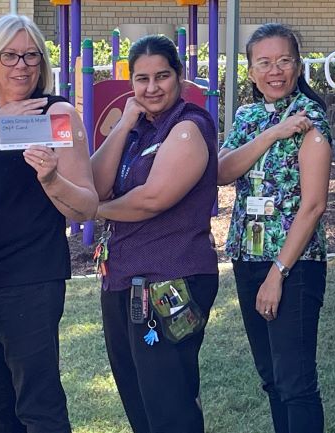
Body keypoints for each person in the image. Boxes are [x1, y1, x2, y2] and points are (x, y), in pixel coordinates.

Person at [0, 14, 98, 433]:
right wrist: (0, 119)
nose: (21, 65)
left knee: (38, 403)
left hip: (31, 277)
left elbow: (85, 206)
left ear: (42, 61)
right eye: (10, 55)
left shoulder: (58, 112)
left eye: (31, 55)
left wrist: (51, 178)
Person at [90, 34, 218, 433]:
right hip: (122, 280)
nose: (151, 87)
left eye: (162, 76)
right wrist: (125, 121)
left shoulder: (189, 127)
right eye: (141, 79)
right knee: (138, 402)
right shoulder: (136, 131)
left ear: (178, 76)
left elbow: (152, 198)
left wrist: (96, 211)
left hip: (171, 280)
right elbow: (94, 181)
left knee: (170, 407)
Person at [218, 23, 331, 433]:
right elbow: (221, 171)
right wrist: (273, 133)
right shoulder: (248, 116)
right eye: (264, 63)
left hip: (293, 266)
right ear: (250, 72)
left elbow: (314, 205)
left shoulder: (311, 117)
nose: (275, 70)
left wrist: (277, 275)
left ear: (299, 66)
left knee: (295, 384)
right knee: (271, 379)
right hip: (248, 258)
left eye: (284, 61)